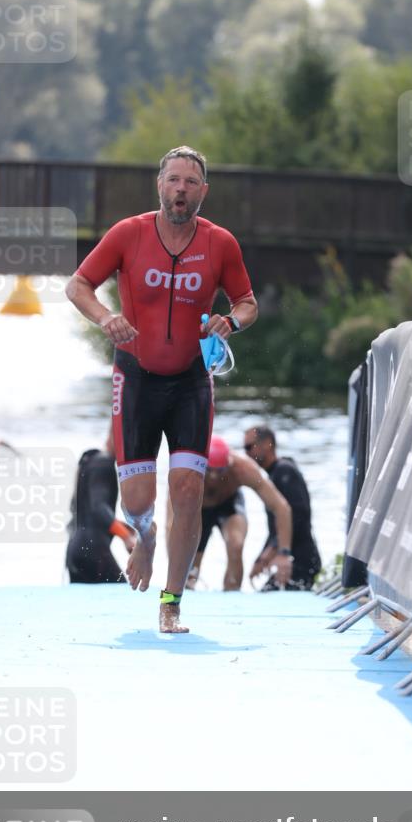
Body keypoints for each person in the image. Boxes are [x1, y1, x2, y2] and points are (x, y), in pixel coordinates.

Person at [65, 146, 257, 631]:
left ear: (203, 192)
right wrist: (107, 318)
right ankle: (145, 540)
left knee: (188, 488)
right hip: (136, 378)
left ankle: (171, 601)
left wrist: (230, 321)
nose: (181, 190)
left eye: (191, 183)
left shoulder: (220, 243)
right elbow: (78, 285)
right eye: (173, 180)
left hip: (191, 380)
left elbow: (248, 301)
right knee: (136, 499)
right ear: (160, 185)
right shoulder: (129, 234)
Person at [187, 435, 294, 591]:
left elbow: (281, 507)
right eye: (209, 471)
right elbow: (171, 522)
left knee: (236, 545)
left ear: (229, 464)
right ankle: (182, 595)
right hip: (198, 508)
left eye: (220, 471)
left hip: (229, 504)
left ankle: (232, 595)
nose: (215, 476)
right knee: (188, 564)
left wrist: (284, 553)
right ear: (201, 464)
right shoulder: (188, 472)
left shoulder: (243, 468)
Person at [244, 424, 321, 590]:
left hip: (301, 560)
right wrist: (261, 558)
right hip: (292, 558)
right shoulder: (274, 475)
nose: (246, 454)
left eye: (249, 447)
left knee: (267, 598)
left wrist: (274, 550)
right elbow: (276, 528)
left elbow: (299, 517)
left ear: (267, 444)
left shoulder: (285, 471)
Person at [66, 430, 136, 584]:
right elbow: (99, 509)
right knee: (123, 594)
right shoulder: (105, 464)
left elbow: (86, 512)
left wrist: (125, 528)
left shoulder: (90, 461)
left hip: (74, 551)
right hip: (93, 551)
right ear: (114, 437)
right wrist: (127, 537)